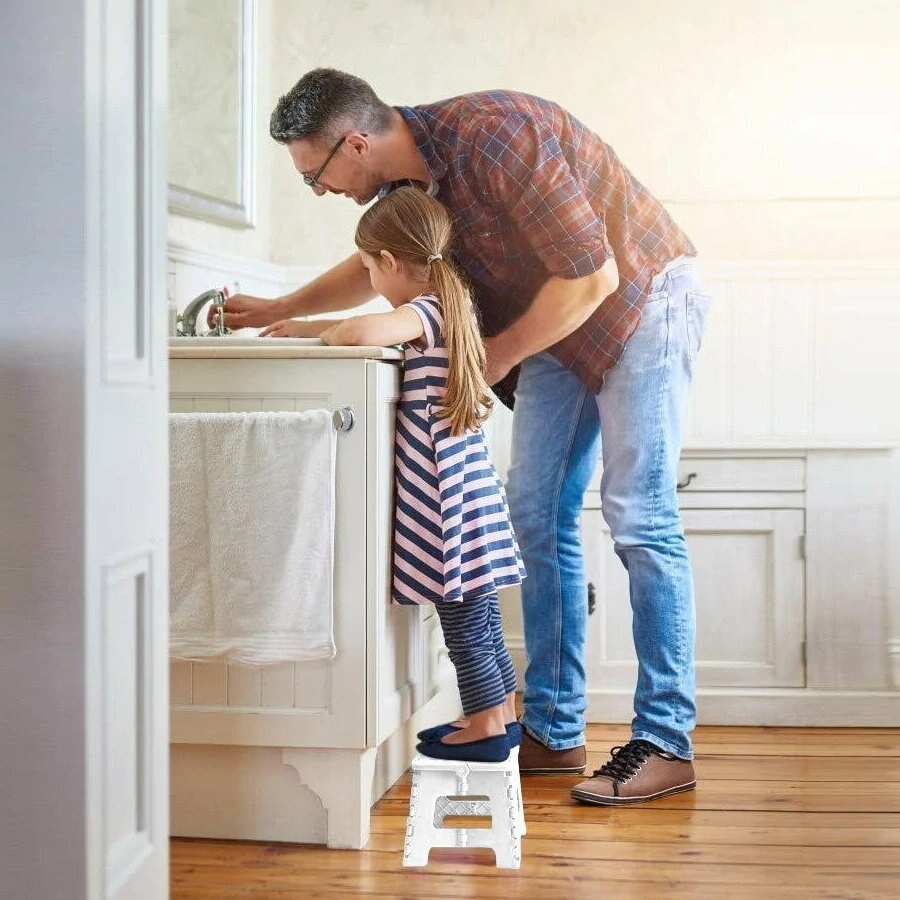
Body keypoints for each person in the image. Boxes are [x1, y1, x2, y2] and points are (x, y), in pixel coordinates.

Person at [217, 68, 710, 804]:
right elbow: (375, 265)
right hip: (558, 324)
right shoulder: (404, 191)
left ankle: (666, 740)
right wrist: (276, 309)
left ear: (355, 143)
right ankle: (553, 728)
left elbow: (593, 278)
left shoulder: (497, 137)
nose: (318, 190)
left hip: (641, 298)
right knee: (534, 517)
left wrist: (487, 361)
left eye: (315, 173)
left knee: (638, 517)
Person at [269, 185, 525, 763]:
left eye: (366, 267)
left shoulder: (424, 311)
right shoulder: (450, 303)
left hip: (437, 485)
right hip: (462, 478)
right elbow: (374, 323)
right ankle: (500, 709)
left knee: (459, 609)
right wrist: (303, 327)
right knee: (478, 604)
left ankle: (484, 724)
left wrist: (327, 333)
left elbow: (361, 333)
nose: (369, 277)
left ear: (388, 262)